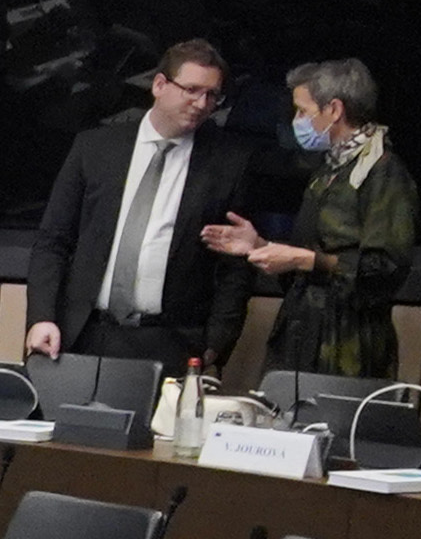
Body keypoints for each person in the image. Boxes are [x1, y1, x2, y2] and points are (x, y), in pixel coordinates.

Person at [24, 40, 259, 377]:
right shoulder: (95, 148)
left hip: (171, 340)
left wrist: (215, 345)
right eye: (191, 90)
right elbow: (52, 241)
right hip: (81, 332)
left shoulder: (227, 163)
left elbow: (234, 268)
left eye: (212, 95)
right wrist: (42, 316)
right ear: (159, 85)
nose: (201, 103)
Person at [204, 57, 418, 385]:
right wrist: (261, 246)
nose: (297, 121)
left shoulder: (383, 172)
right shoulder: (328, 170)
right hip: (299, 332)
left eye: (303, 111)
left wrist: (305, 260)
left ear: (334, 110)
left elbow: (384, 268)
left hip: (348, 346)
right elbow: (306, 254)